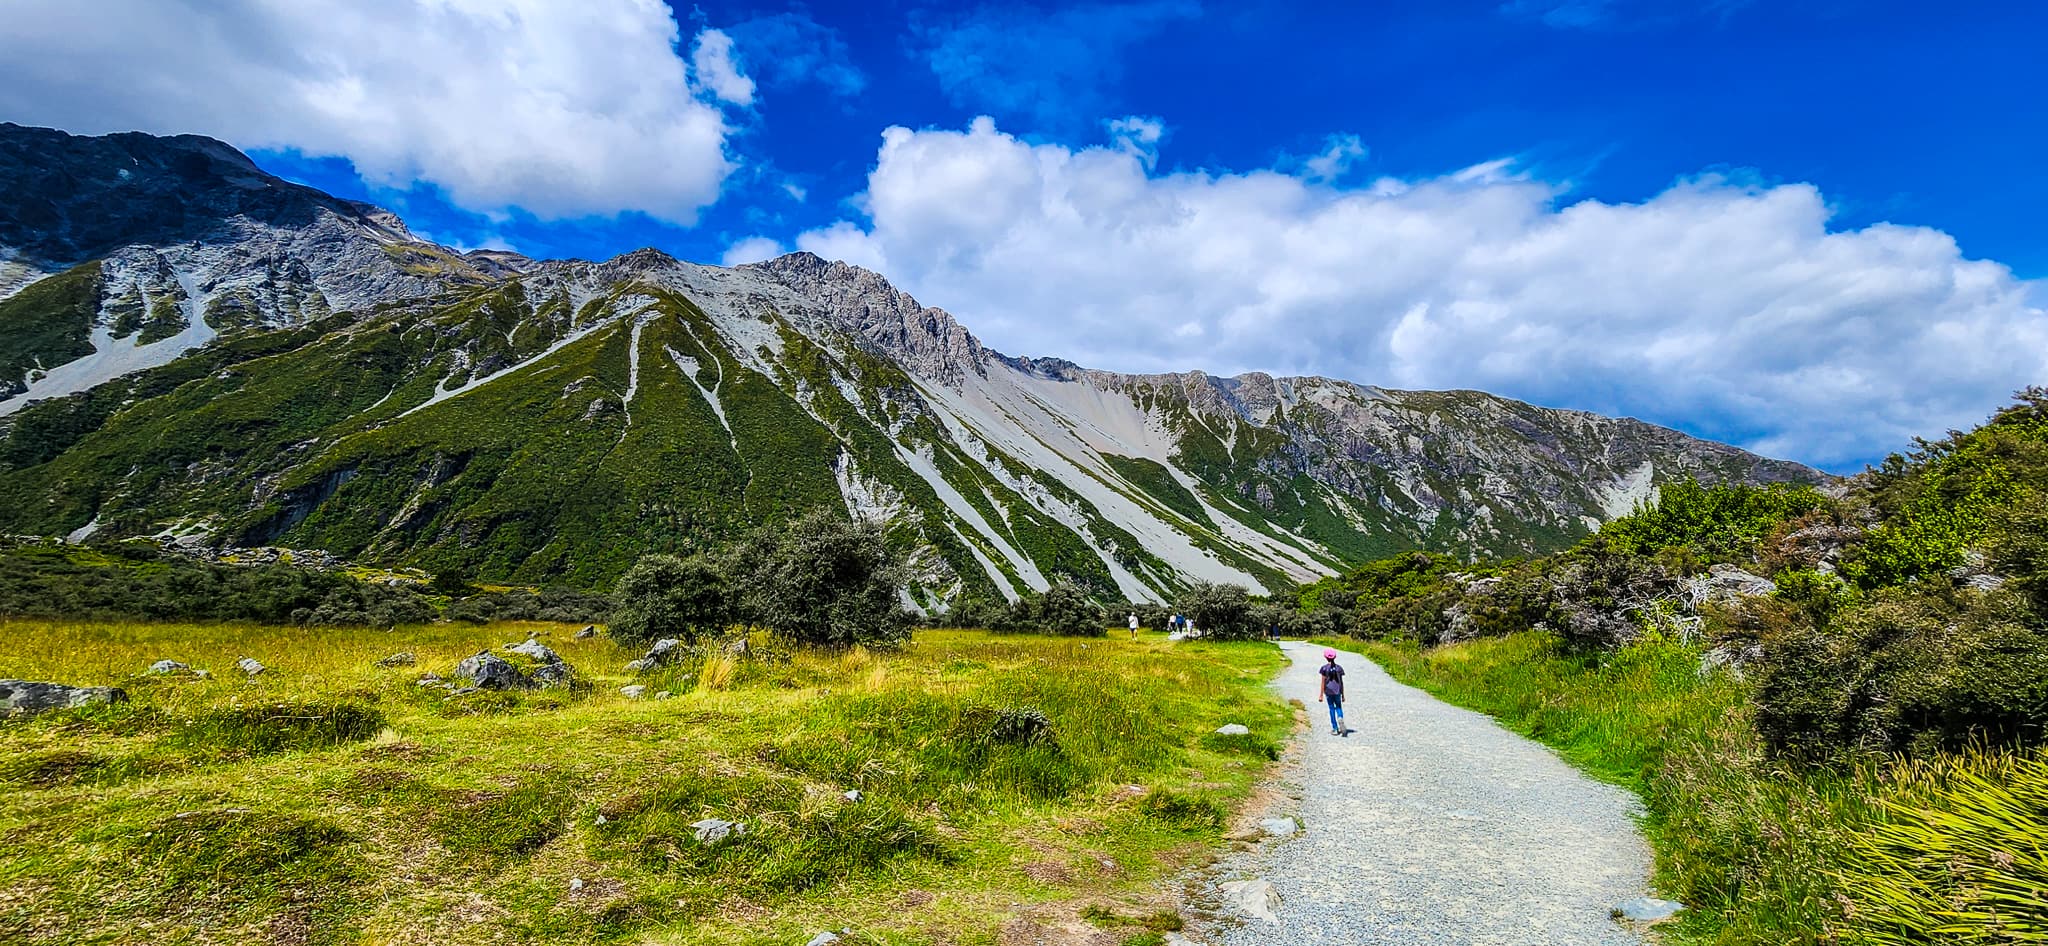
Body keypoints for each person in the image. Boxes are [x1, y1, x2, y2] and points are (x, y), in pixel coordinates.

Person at [1317, 648, 1347, 735]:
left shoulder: (1324, 668)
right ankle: (1340, 717)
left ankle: (1335, 728)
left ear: (1325, 657)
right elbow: (1341, 682)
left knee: (1331, 708)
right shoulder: (1339, 668)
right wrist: (1343, 694)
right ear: (1335, 657)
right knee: (1338, 707)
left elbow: (1323, 682)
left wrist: (1321, 695)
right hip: (1337, 691)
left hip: (1328, 691)